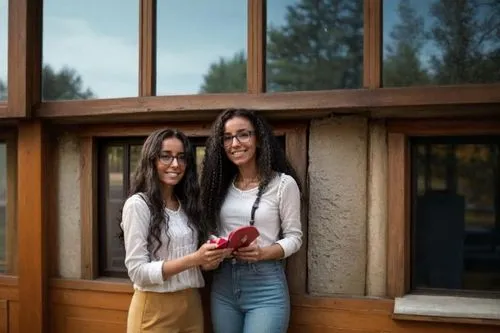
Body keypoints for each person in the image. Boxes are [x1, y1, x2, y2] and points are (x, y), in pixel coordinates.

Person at [200, 109, 303, 333]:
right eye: (227, 137)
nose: (235, 143)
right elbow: (211, 230)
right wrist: (214, 249)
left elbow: (294, 238)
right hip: (223, 284)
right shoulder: (219, 186)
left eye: (243, 134)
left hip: (265, 286)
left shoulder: (283, 184)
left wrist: (263, 253)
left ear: (258, 139)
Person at [119, 128, 231, 333]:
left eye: (181, 157)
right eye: (166, 157)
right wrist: (194, 259)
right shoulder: (138, 205)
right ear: (151, 160)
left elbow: (197, 263)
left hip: (191, 305)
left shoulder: (188, 205)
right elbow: (137, 272)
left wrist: (211, 257)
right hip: (154, 310)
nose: (175, 164)